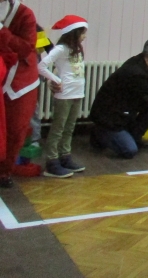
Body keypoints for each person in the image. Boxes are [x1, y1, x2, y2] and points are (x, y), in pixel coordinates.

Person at [88, 38, 148, 159]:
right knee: (129, 150)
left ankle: (133, 136)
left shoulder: (140, 62)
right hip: (108, 118)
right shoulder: (136, 72)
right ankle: (100, 133)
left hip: (122, 111)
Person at [0, 0, 40, 189]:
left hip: (21, 80)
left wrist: (2, 32)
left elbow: (26, 48)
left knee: (15, 129)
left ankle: (4, 171)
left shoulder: (25, 15)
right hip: (1, 72)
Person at [38, 15, 89, 178]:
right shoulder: (61, 49)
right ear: (74, 33)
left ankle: (65, 156)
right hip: (65, 94)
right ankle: (51, 162)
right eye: (82, 33)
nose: (84, 36)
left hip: (77, 93)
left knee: (69, 128)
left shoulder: (77, 49)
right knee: (58, 129)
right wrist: (56, 80)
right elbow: (41, 66)